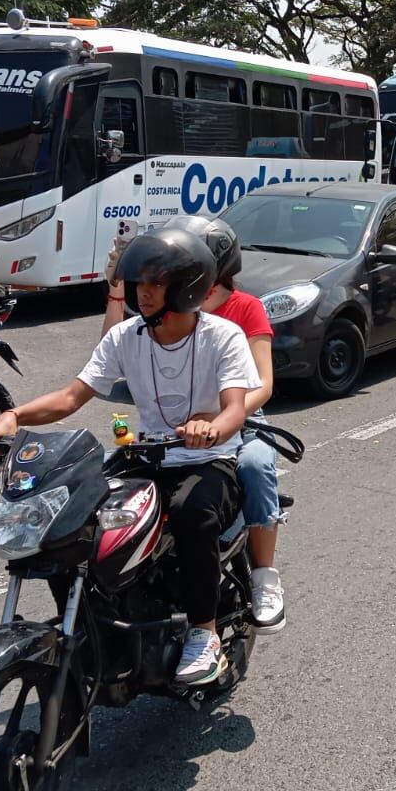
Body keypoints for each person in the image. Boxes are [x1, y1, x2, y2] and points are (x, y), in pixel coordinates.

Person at [0, 229, 257, 685]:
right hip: (146, 457)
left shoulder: (222, 336)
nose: (143, 293)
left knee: (193, 511)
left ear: (185, 288)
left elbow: (234, 409)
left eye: (156, 283)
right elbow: (71, 397)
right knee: (73, 515)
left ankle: (203, 631)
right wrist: (13, 416)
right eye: (138, 283)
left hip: (208, 460)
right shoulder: (127, 336)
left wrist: (211, 429)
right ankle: (91, 626)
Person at [104, 217, 287, 632]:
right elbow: (108, 353)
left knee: (255, 466)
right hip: (173, 433)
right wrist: (117, 286)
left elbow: (263, 384)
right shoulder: (161, 311)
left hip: (239, 419)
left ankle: (264, 577)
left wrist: (220, 419)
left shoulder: (243, 310)